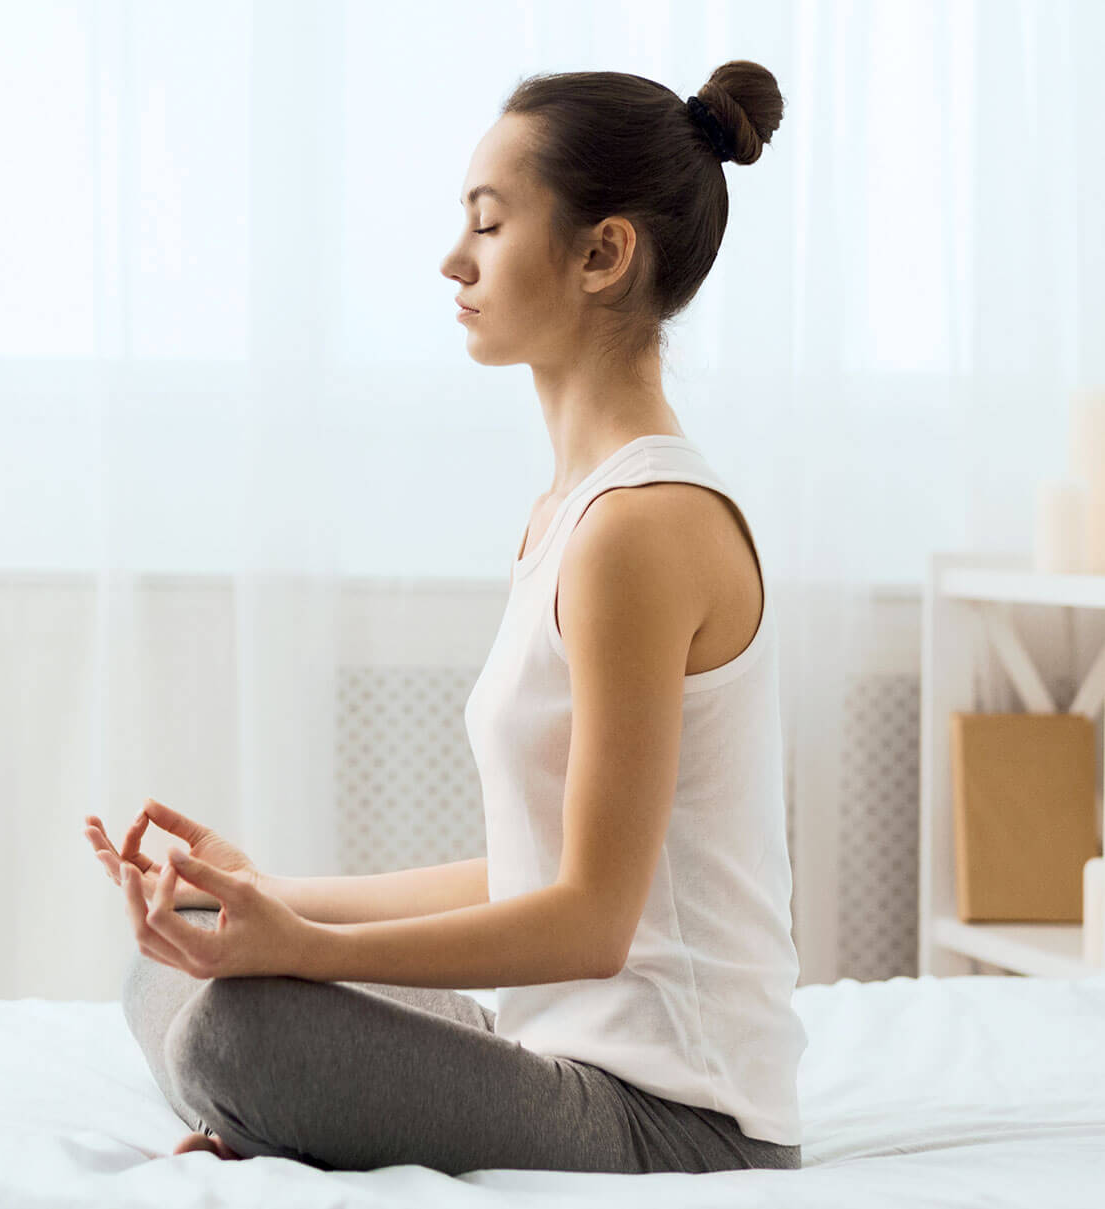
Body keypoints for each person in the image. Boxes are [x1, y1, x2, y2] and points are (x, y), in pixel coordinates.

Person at [81, 59, 806, 1177]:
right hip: (549, 1053)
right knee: (173, 971)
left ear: (601, 254)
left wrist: (310, 949)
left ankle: (262, 1111)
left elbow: (589, 922)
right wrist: (267, 898)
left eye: (489, 222)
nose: (452, 259)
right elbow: (529, 865)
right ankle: (267, 1108)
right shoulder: (570, 516)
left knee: (237, 1030)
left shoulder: (644, 529)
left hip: (675, 1119)